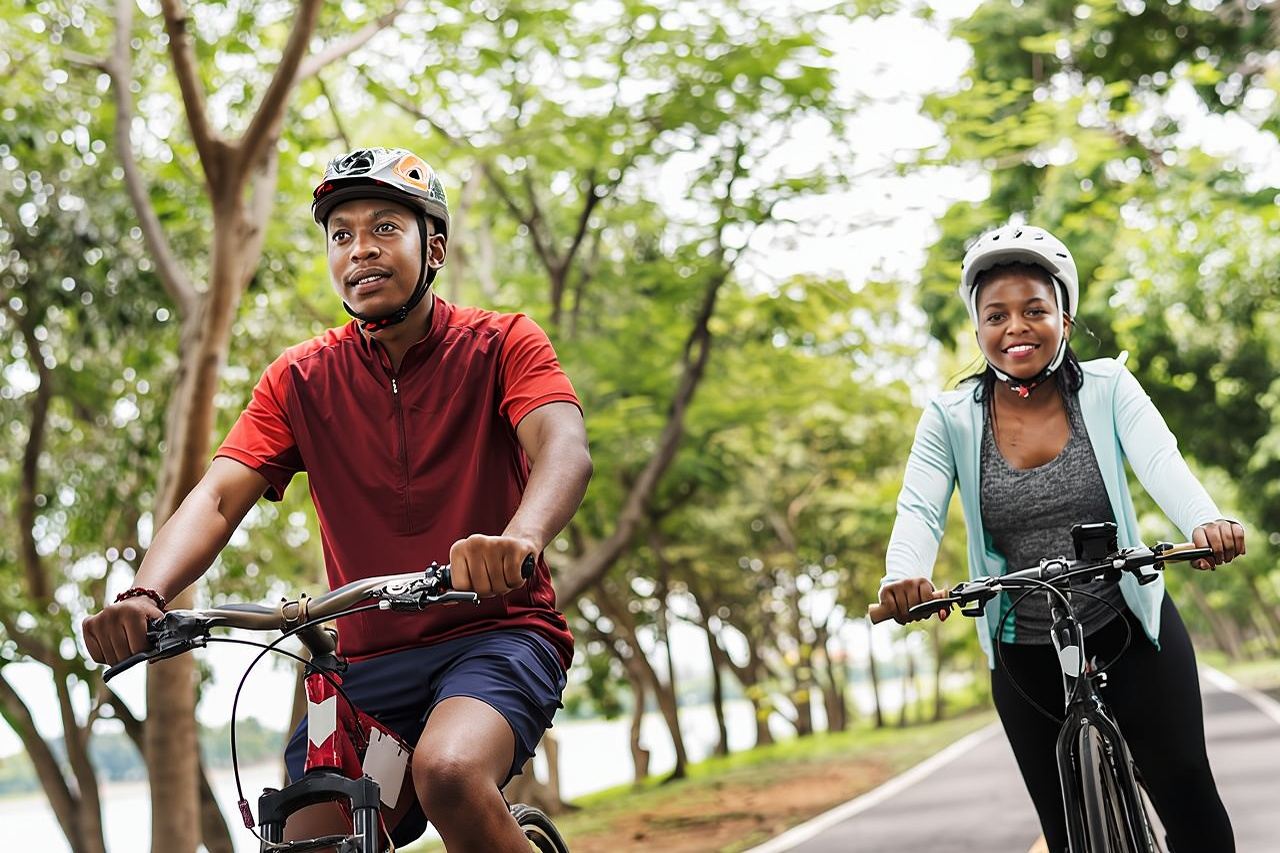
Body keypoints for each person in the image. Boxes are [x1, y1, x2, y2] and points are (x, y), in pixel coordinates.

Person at [82, 147, 593, 852]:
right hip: (366, 669)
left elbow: (562, 445)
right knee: (305, 832)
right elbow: (219, 498)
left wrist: (521, 537)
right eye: (342, 234)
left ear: (433, 246)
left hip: (497, 635)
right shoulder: (299, 379)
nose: (361, 249)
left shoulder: (503, 342)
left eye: (386, 227)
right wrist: (145, 592)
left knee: (448, 770)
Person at [876, 224, 1242, 852]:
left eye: (1033, 309)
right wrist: (902, 573)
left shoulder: (1107, 388)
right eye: (997, 315)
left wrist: (1203, 523)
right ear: (977, 330)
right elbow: (920, 510)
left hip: (1126, 621)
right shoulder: (948, 418)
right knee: (1064, 830)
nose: (1015, 326)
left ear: (1064, 319)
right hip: (1022, 644)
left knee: (1184, 789)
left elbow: (1162, 463)